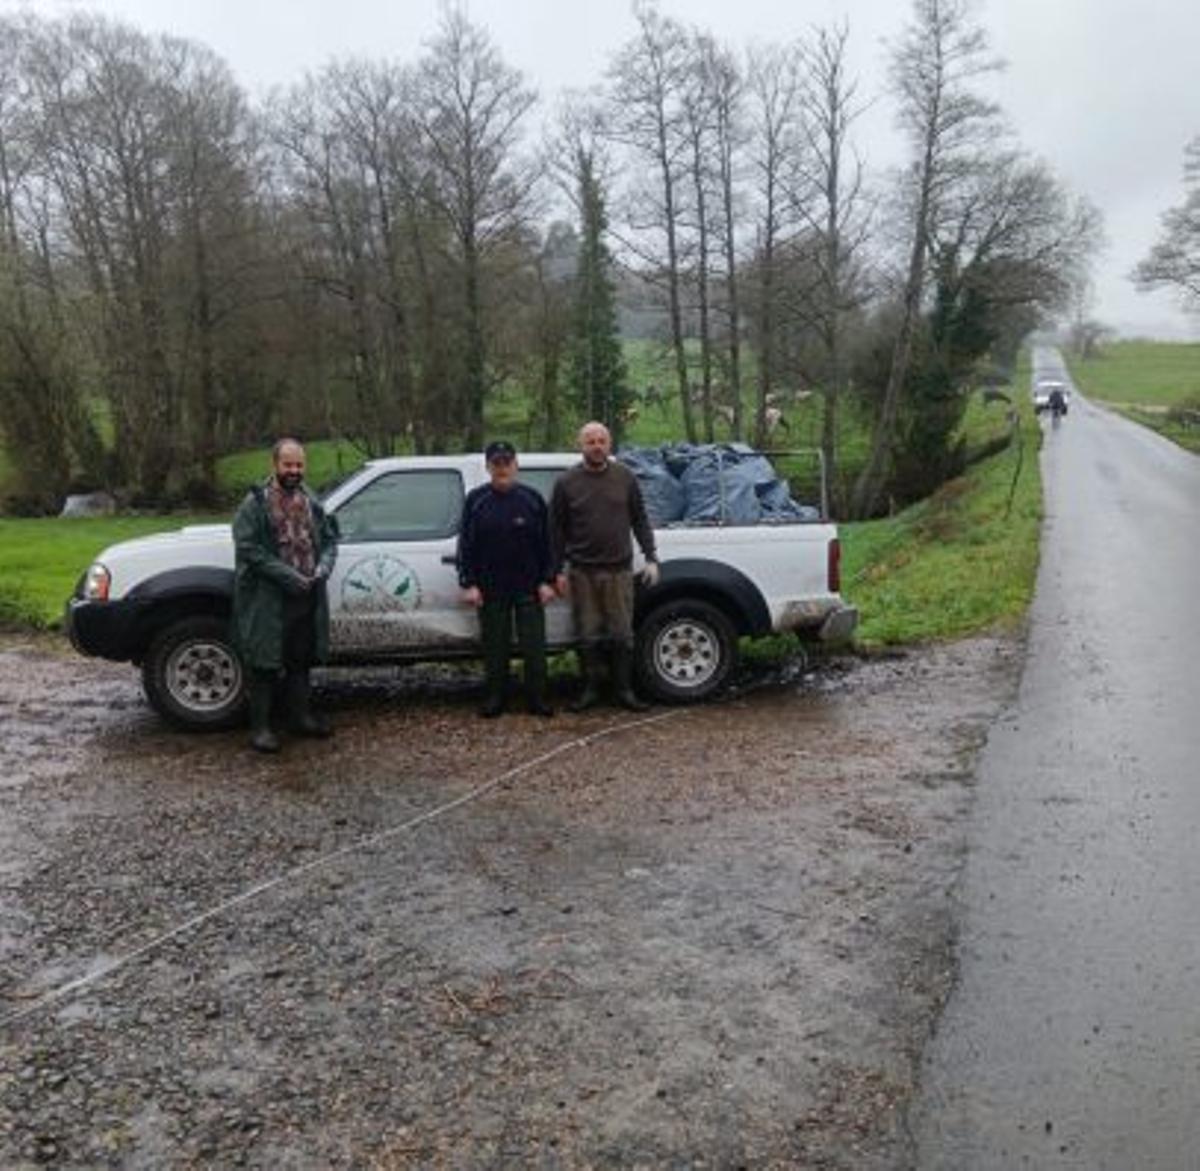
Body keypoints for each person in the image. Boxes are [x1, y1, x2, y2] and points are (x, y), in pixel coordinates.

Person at [232, 438, 338, 753]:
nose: (294, 471)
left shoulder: (311, 500)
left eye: (299, 465)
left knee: (300, 660)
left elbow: (331, 540)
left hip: (307, 597)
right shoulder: (255, 504)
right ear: (274, 465)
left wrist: (324, 567)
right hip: (268, 600)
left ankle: (300, 719)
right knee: (264, 664)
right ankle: (261, 729)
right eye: (288, 465)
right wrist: (287, 576)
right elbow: (248, 549)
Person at [550, 420, 660, 712]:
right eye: (590, 441)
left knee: (622, 634)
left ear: (609, 445)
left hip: (619, 571)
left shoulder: (625, 477)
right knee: (587, 634)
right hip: (581, 572)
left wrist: (651, 557)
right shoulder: (566, 482)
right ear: (580, 445)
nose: (597, 446)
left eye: (601, 441)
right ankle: (590, 691)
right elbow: (557, 530)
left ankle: (624, 691)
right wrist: (554, 571)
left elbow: (640, 519)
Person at [457, 441, 558, 718]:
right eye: (496, 463)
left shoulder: (532, 499)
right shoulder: (476, 500)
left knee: (534, 648)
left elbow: (548, 545)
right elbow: (465, 545)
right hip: (490, 589)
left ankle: (538, 699)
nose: (502, 468)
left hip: (530, 587)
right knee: (495, 649)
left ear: (516, 465)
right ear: (488, 467)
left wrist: (548, 580)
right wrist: (469, 583)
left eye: (507, 462)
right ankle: (495, 699)